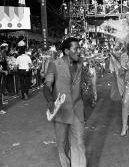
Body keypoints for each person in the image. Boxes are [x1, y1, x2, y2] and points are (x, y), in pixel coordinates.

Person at [43, 37, 86, 167]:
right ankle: (66, 164)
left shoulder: (80, 64)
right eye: (76, 48)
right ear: (67, 51)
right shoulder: (55, 65)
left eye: (79, 48)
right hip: (61, 109)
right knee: (62, 143)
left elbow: (80, 87)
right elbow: (47, 85)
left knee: (79, 142)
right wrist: (50, 100)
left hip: (77, 108)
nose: (79, 51)